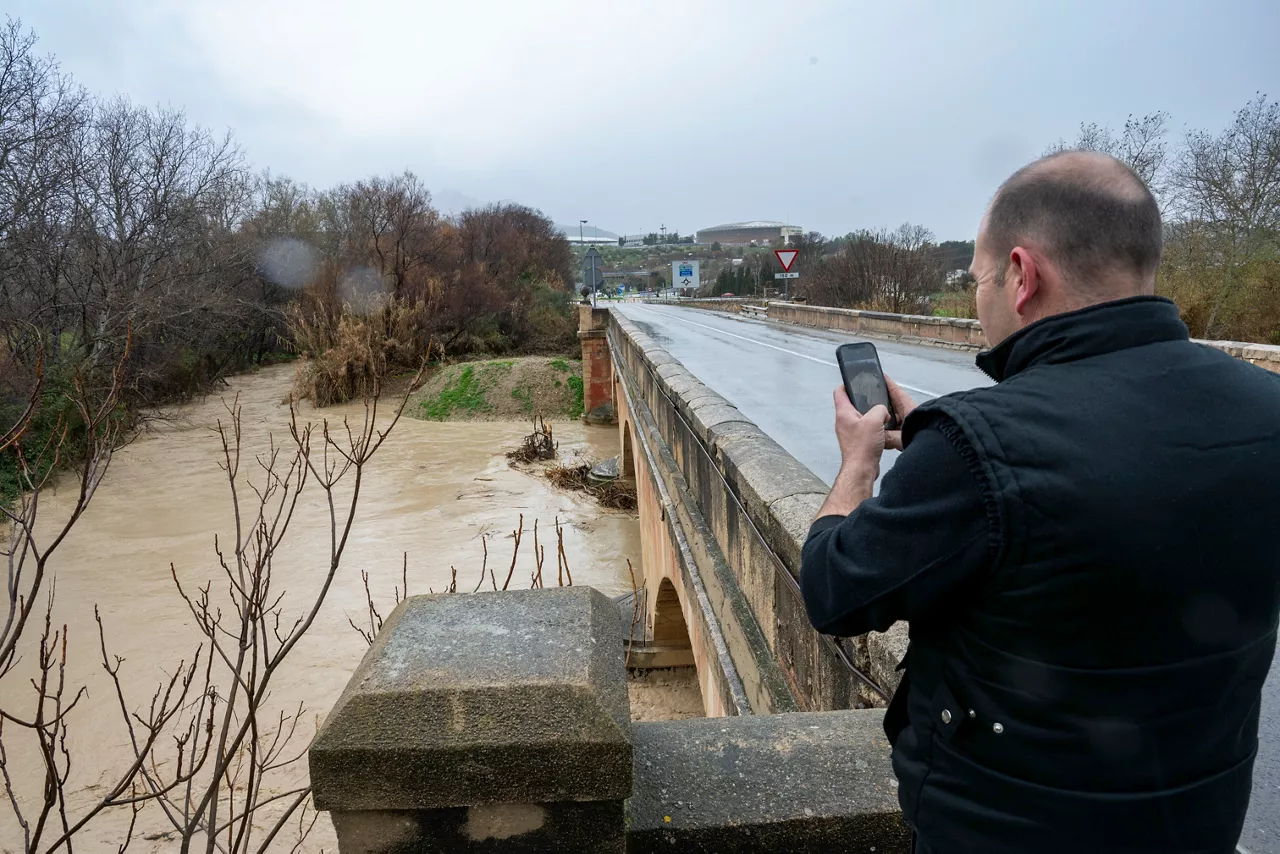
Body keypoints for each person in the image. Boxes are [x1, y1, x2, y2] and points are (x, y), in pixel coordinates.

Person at [800, 151, 1280, 854]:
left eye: (979, 280)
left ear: (1022, 276)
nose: (979, 298)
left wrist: (859, 463)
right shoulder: (1265, 408)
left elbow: (833, 590)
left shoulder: (971, 450)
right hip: (1198, 821)